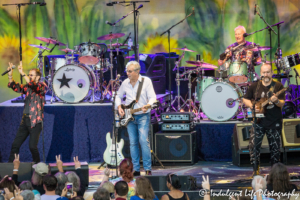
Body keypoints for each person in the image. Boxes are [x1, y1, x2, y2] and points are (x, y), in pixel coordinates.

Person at [243, 63, 285, 175]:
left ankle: (275, 173)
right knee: (253, 147)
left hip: (274, 121)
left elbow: (281, 104)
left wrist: (276, 100)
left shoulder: (278, 86)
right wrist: (253, 106)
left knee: (275, 150)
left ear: (272, 73)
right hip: (258, 122)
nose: (266, 74)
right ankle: (255, 171)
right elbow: (245, 99)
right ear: (260, 73)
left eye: (268, 72)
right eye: (263, 72)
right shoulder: (255, 86)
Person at [115, 61, 156, 175]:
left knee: (143, 141)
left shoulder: (146, 81)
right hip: (129, 116)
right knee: (133, 143)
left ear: (137, 71)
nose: (127, 73)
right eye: (127, 71)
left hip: (143, 115)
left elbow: (153, 97)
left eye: (130, 71)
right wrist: (119, 107)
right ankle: (136, 169)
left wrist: (148, 105)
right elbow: (118, 96)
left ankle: (147, 169)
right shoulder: (125, 83)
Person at [7, 61, 46, 164]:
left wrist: (22, 73)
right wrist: (10, 76)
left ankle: (38, 166)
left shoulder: (42, 86)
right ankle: (10, 167)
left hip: (35, 121)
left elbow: (34, 85)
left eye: (31, 75)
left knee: (32, 147)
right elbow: (16, 87)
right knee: (15, 145)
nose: (29, 77)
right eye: (29, 75)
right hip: (25, 120)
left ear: (37, 77)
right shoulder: (28, 87)